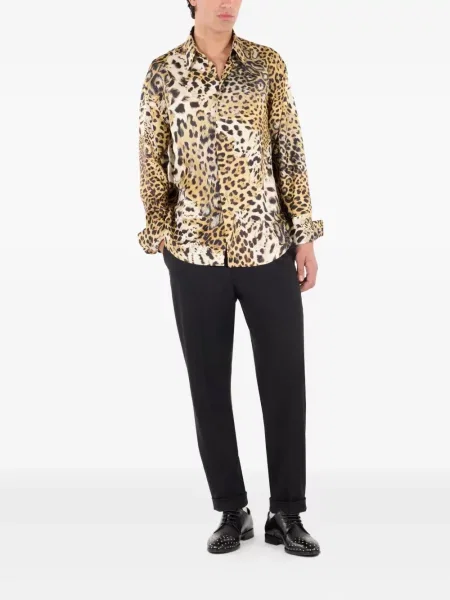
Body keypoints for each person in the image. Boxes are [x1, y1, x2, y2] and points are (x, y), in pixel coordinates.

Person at [137, 0, 323, 557]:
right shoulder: (164, 72)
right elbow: (151, 159)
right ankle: (231, 509)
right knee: (209, 384)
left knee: (285, 380)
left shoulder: (267, 64)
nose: (227, 3)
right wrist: (161, 233)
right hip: (194, 255)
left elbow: (289, 149)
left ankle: (286, 512)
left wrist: (304, 234)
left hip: (267, 248)